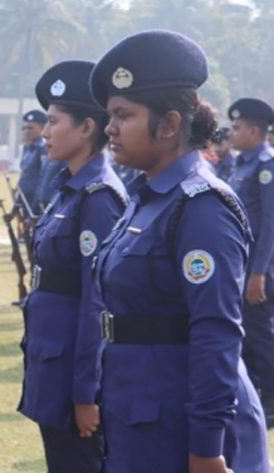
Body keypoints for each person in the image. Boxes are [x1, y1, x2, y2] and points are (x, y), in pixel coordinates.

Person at [89, 29, 269, 473]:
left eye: (123, 115)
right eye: (110, 115)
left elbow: (216, 333)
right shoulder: (148, 196)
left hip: (181, 428)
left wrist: (207, 448)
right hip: (140, 413)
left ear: (169, 125)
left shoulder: (201, 206)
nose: (110, 128)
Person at [18, 60, 128, 473]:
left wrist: (86, 392)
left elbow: (96, 302)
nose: (45, 132)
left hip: (71, 372)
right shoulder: (70, 188)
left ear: (86, 128)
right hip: (51, 360)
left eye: (54, 121)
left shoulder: (98, 197)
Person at [226, 97, 274, 423]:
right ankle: (255, 394)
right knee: (243, 334)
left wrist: (258, 273)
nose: (232, 132)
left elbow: (270, 223)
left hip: (258, 269)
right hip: (239, 266)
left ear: (254, 131)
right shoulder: (240, 164)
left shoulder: (266, 165)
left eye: (237, 127)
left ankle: (271, 397)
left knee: (260, 334)